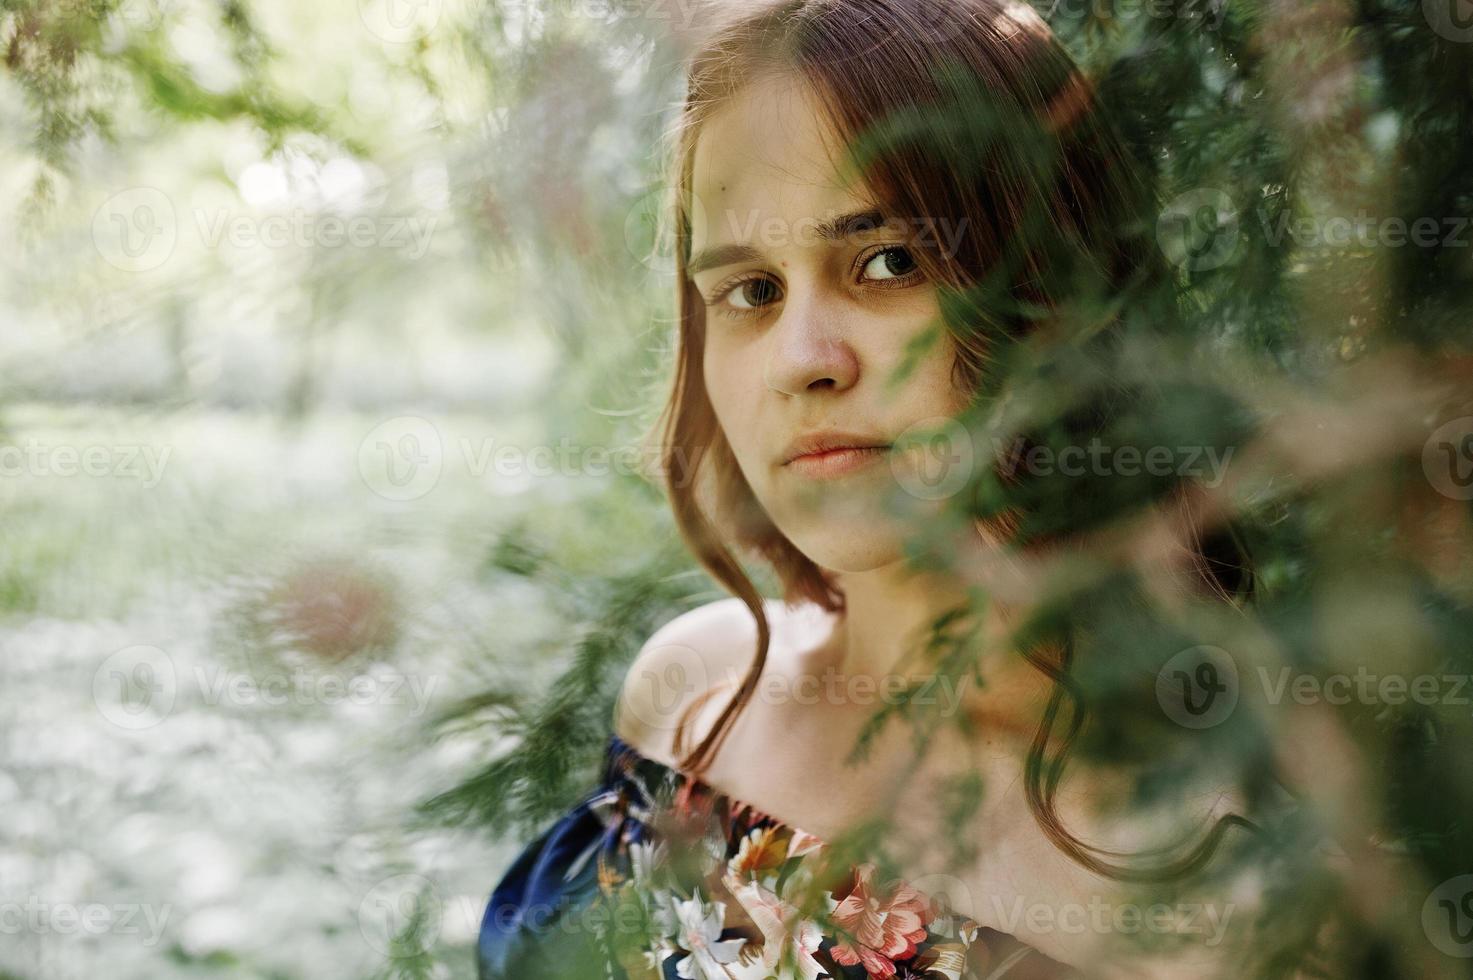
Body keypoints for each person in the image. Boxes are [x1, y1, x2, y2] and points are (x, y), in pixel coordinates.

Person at [478, 1, 1329, 977]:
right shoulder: (693, 695)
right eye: (751, 289)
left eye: (889, 261)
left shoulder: (1219, 884)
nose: (804, 360)